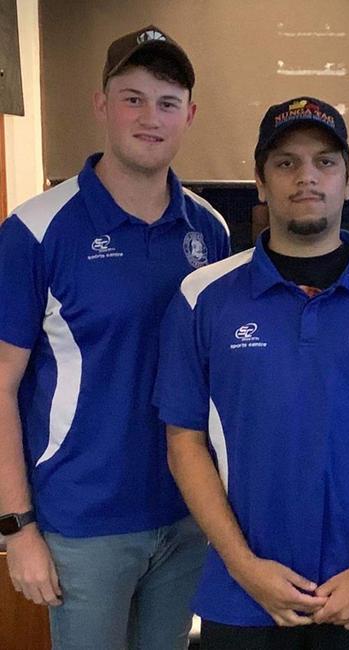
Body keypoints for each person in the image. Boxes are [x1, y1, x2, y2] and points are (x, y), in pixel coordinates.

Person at [154, 96, 349, 649]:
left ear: (347, 180)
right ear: (260, 182)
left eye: (325, 162)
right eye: (286, 163)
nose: (306, 177)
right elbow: (184, 441)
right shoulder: (203, 297)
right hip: (245, 595)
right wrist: (244, 567)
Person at [0, 25, 230, 649]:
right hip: (82, 526)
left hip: (187, 516)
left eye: (167, 101)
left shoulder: (209, 231)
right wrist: (16, 528)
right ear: (101, 105)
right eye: (132, 97)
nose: (149, 117)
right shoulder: (35, 231)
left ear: (190, 114)